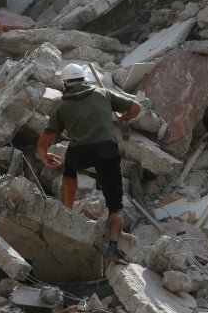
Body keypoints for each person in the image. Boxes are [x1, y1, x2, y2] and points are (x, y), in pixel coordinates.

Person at [36, 63, 142, 265]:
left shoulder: (62, 108)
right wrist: (123, 119)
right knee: (115, 206)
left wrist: (46, 157)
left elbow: (42, 145)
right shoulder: (103, 94)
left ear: (65, 84)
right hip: (107, 150)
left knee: (70, 166)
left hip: (81, 151)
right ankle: (113, 246)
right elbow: (136, 108)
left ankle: (68, 209)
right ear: (84, 80)